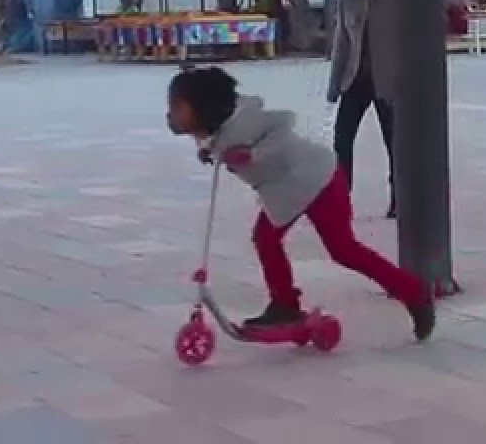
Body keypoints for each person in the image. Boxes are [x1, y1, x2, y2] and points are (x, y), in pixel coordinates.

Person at [167, 66, 435, 340]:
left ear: (202, 106)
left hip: (318, 180)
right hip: (289, 190)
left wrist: (254, 154)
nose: (172, 116)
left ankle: (414, 292)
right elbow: (217, 142)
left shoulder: (246, 120)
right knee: (269, 239)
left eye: (178, 108)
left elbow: (283, 125)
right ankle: (285, 303)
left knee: (342, 249)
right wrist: (209, 151)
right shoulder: (220, 130)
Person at [327, 0, 397, 219]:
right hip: (355, 78)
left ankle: (399, 198)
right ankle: (340, 199)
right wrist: (334, 84)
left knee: (395, 142)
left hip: (388, 80)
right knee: (342, 139)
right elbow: (341, 43)